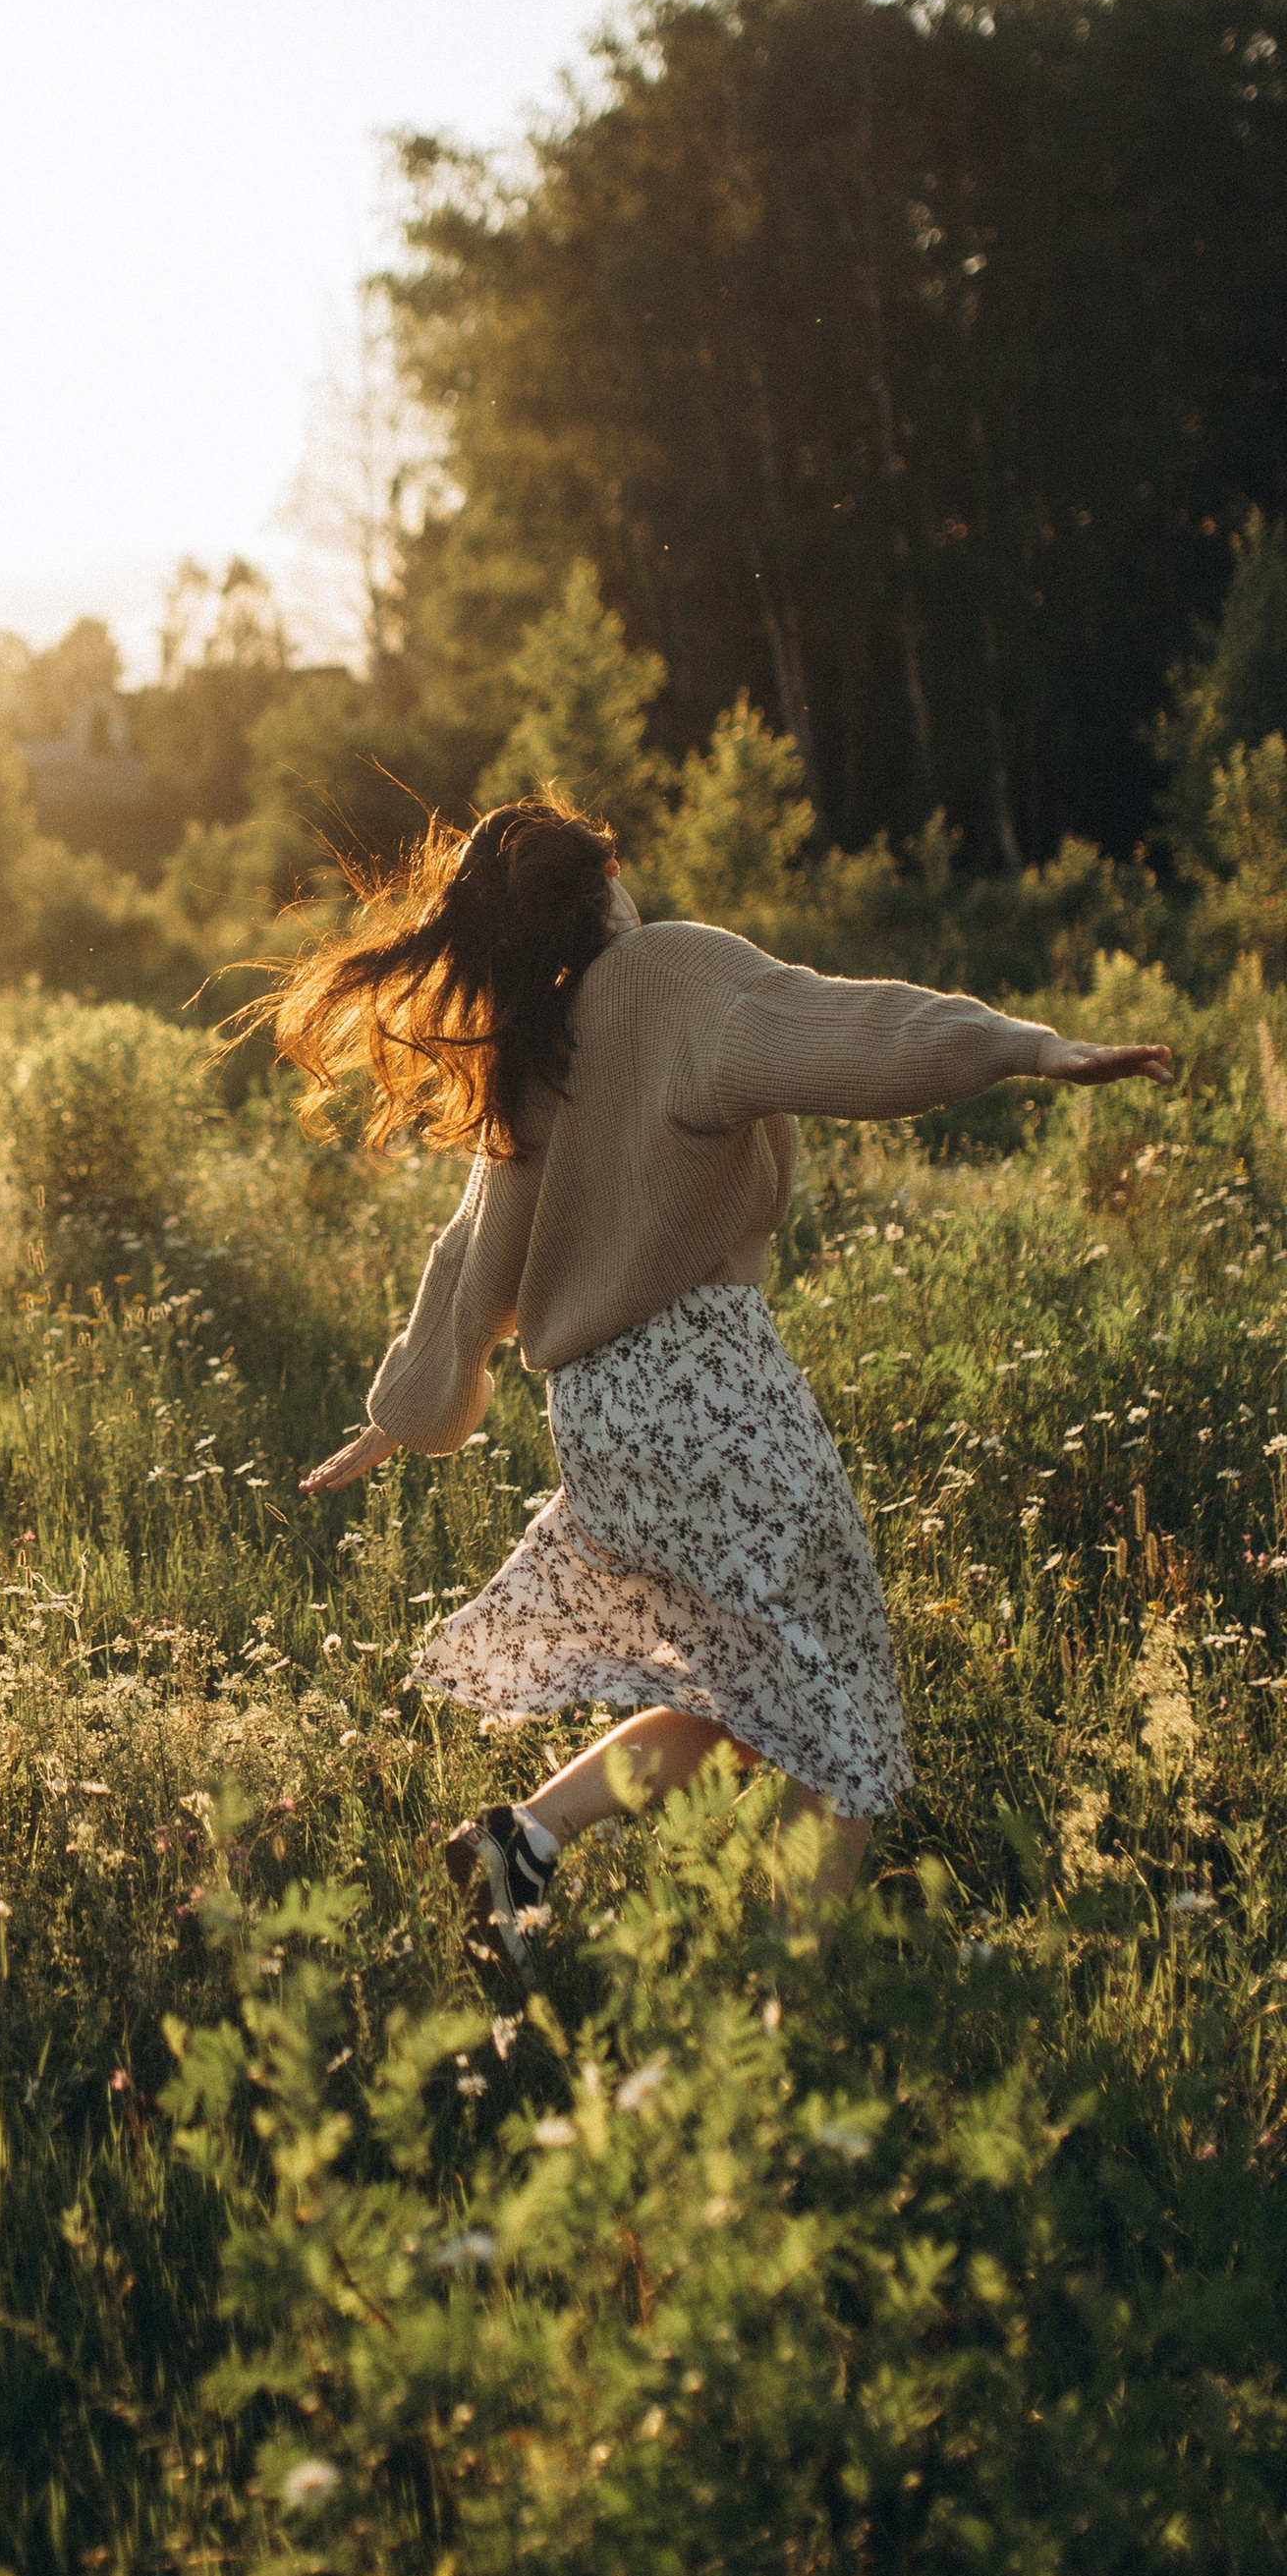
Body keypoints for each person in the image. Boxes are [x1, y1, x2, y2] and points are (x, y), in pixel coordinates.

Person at [277, 801, 1171, 1973]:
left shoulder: (532, 1046)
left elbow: (466, 1260)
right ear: (602, 882)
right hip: (706, 1386)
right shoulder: (665, 973)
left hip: (600, 1414)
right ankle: (784, 1996)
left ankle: (523, 1841)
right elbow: (841, 1023)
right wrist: (1021, 1045)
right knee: (835, 1691)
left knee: (747, 1678)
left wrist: (398, 1415)